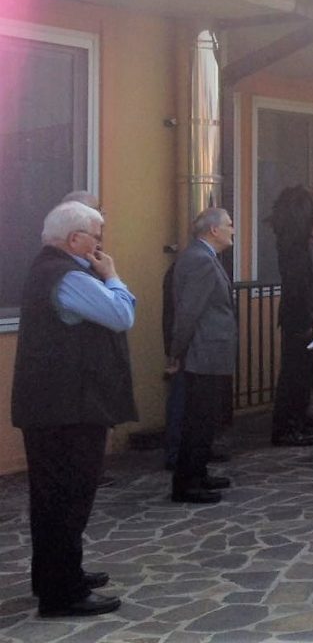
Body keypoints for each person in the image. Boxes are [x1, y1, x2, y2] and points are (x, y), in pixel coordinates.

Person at [12, 201, 137, 617]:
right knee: (67, 499)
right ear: (74, 239)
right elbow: (121, 314)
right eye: (96, 236)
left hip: (56, 407)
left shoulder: (51, 269)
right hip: (67, 409)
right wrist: (113, 277)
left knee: (55, 499)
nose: (100, 245)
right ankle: (61, 592)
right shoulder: (65, 275)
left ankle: (57, 574)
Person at [169, 207, 237, 504]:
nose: (233, 230)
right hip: (203, 353)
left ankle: (199, 473)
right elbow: (188, 312)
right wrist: (176, 352)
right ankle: (188, 482)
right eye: (229, 225)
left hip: (209, 352)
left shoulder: (204, 257)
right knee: (199, 419)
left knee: (206, 419)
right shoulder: (200, 260)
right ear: (213, 230)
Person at [268, 186, 313, 447]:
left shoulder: (299, 245)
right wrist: (306, 317)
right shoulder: (294, 248)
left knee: (303, 372)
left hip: (303, 315)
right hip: (299, 317)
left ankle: (299, 417)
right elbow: (298, 286)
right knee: (294, 372)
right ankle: (287, 425)